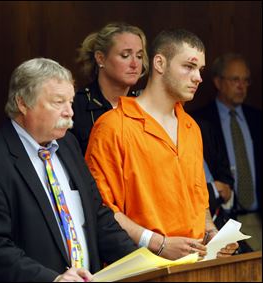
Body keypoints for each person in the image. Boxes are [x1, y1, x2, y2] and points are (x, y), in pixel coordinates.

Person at [0, 58, 138, 282]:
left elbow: (97, 216)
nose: (70, 112)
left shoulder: (68, 145)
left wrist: (140, 261)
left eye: (71, 101)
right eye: (58, 102)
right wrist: (53, 279)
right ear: (23, 103)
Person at [85, 29, 238, 260]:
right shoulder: (113, 126)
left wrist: (211, 234)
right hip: (141, 267)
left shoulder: (191, 127)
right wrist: (157, 243)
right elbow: (102, 208)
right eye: (188, 66)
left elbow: (198, 201)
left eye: (200, 69)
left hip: (195, 266)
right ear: (159, 63)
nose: (198, 77)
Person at [192, 53, 262, 251]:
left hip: (257, 216)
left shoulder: (257, 118)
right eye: (235, 80)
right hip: (220, 219)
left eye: (246, 80)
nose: (242, 86)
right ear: (218, 81)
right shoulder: (199, 121)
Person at [70, 22, 149, 155]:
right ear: (100, 58)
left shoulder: (145, 105)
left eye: (140, 56)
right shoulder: (75, 105)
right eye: (125, 55)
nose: (135, 64)